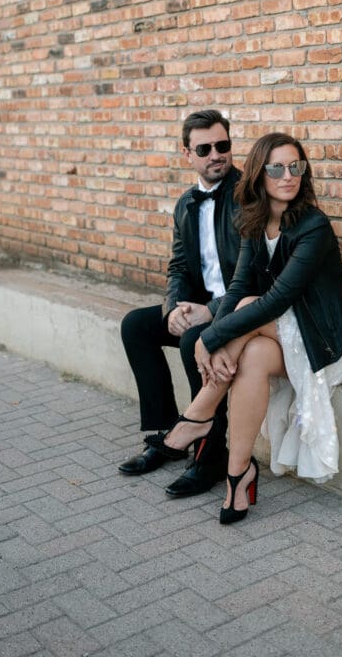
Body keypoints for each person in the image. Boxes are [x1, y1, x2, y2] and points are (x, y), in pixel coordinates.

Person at [147, 132, 342, 523]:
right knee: (250, 354)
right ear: (259, 174)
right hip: (283, 330)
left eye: (296, 167)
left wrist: (212, 337)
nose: (288, 176)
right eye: (276, 168)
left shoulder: (314, 226)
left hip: (331, 336)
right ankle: (239, 474)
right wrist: (214, 334)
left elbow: (276, 301)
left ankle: (199, 415)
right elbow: (239, 287)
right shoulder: (254, 221)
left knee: (253, 308)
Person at [119, 109, 241, 498]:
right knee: (136, 325)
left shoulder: (249, 196)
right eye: (204, 148)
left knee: (195, 342)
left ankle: (209, 456)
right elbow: (179, 265)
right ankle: (167, 434)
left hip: (238, 310)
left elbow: (257, 275)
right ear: (187, 155)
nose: (215, 155)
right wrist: (174, 307)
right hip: (202, 305)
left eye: (222, 146)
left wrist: (213, 308)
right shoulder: (185, 204)